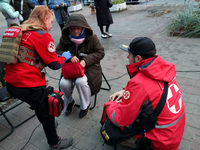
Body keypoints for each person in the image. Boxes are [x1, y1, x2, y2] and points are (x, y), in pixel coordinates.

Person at [4, 5, 73, 149]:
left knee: (39, 103)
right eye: (51, 22)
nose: (51, 26)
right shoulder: (42, 35)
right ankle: (55, 143)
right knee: (48, 107)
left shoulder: (21, 30)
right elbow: (54, 65)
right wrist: (64, 58)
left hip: (11, 83)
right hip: (27, 84)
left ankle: (48, 124)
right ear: (45, 18)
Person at [101, 37, 185, 149]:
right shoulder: (164, 69)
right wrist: (126, 90)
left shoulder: (138, 84)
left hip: (160, 141)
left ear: (138, 58)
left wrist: (109, 106)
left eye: (129, 54)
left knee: (113, 129)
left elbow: (121, 120)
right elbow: (151, 88)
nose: (127, 56)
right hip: (174, 132)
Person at [56, 14, 105, 118]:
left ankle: (85, 104)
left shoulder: (92, 37)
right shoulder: (64, 38)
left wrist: (86, 61)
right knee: (63, 83)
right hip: (72, 68)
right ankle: (69, 102)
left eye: (78, 28)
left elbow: (101, 52)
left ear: (83, 28)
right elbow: (58, 51)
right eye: (73, 29)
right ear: (69, 29)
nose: (76, 32)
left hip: (90, 68)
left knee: (80, 81)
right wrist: (70, 57)